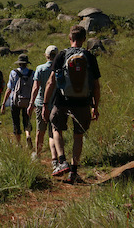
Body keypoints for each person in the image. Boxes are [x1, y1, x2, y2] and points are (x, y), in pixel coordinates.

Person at [43, 25, 101, 184]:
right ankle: (73, 172)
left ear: (70, 39)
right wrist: (95, 106)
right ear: (84, 39)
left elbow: (50, 82)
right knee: (78, 136)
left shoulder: (61, 55)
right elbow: (96, 86)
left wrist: (45, 104)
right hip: (83, 102)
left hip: (62, 101)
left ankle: (62, 161)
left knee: (56, 128)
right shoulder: (89, 57)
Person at [27, 45, 59, 164]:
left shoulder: (40, 69)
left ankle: (38, 155)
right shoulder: (59, 69)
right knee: (54, 131)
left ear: (46, 55)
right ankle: (55, 158)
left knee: (40, 131)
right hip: (55, 104)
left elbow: (35, 87)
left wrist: (31, 104)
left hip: (41, 104)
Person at [1, 54, 34, 149]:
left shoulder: (13, 73)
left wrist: (3, 103)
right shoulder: (32, 73)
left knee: (16, 122)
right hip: (28, 101)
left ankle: (18, 143)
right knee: (26, 120)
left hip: (15, 101)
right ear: (27, 63)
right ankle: (28, 135)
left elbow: (9, 89)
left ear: (19, 63)